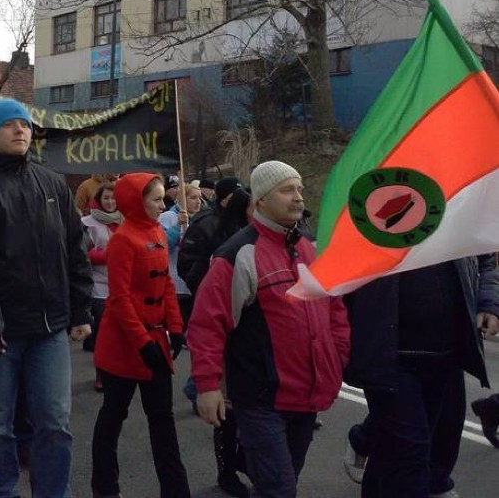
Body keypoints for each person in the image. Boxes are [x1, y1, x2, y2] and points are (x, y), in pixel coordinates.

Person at [0, 97, 93, 498]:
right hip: (0, 332)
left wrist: (80, 307)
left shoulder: (51, 183)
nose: (20, 130)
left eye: (25, 124)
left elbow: (74, 248)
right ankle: (0, 491)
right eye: (10, 123)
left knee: (54, 422)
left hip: (49, 328)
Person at [188, 161, 350, 498]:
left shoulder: (308, 246)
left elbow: (333, 307)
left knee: (280, 483)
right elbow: (207, 324)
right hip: (261, 400)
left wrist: (337, 354)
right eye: (287, 190)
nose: (298, 197)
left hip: (306, 397)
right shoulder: (238, 254)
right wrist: (207, 385)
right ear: (261, 199)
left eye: (300, 189)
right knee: (280, 489)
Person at [343, 254, 499, 497]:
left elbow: (485, 256)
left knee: (406, 448)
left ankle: (367, 442)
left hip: (445, 354)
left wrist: (488, 302)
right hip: (389, 353)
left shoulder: (458, 214)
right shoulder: (368, 215)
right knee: (410, 451)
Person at [90, 173, 190, 498]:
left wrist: (175, 328)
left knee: (163, 421)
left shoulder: (158, 231)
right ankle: (105, 488)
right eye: (157, 199)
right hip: (123, 348)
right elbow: (118, 299)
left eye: (163, 198)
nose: (164, 204)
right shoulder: (123, 240)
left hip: (155, 342)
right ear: (137, 201)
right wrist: (142, 342)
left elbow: (166, 287)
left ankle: (176, 491)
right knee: (113, 417)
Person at [179, 186, 253, 497]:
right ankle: (227, 470)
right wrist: (207, 290)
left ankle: (247, 459)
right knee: (230, 411)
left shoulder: (281, 240)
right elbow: (190, 267)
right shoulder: (221, 238)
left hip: (260, 343)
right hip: (229, 334)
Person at [81, 183, 123, 390]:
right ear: (99, 199)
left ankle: (117, 371)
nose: (110, 202)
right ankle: (101, 373)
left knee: (120, 332)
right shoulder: (88, 223)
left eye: (114, 198)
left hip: (122, 284)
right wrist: (106, 255)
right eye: (106, 198)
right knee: (104, 332)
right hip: (99, 284)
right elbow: (81, 254)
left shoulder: (126, 220)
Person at [160, 182, 203, 328]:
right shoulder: (168, 217)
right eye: (193, 197)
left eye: (200, 198)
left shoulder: (199, 220)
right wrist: (178, 226)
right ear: (181, 199)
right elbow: (164, 245)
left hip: (191, 279)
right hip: (174, 279)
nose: (198, 201)